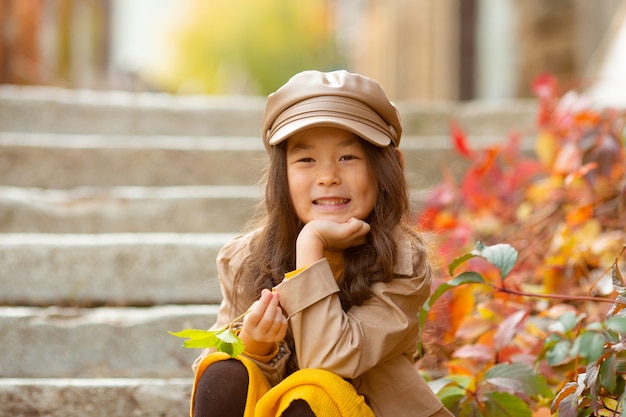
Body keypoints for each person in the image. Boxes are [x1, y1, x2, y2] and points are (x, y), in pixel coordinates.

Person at [190, 69, 453, 417]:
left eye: (348, 157)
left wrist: (310, 244)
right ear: (280, 175)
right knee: (225, 370)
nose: (328, 177)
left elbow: (328, 362)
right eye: (306, 160)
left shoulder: (401, 262)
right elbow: (215, 372)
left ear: (389, 168)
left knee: (313, 393)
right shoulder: (245, 259)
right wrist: (256, 347)